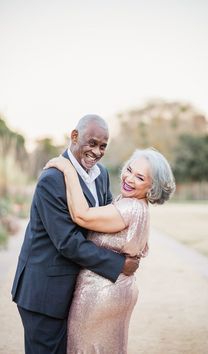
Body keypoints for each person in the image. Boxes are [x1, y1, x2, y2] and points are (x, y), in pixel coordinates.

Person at [11, 114, 140, 354]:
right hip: (44, 294)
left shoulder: (101, 175)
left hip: (73, 292)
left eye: (103, 146)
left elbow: (105, 220)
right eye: (91, 143)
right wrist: (119, 264)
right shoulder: (52, 179)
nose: (97, 151)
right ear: (74, 136)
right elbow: (68, 242)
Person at [44, 147, 176, 353]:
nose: (129, 178)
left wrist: (67, 168)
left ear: (152, 187)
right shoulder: (134, 204)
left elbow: (82, 215)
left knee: (85, 348)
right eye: (129, 169)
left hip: (101, 291)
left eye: (140, 177)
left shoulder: (129, 208)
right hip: (118, 288)